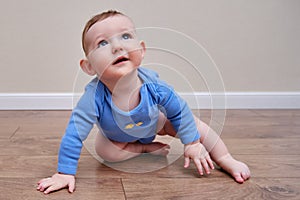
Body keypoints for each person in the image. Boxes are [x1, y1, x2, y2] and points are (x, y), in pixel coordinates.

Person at [37, 10, 250, 194]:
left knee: (195, 126)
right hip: (116, 137)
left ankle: (225, 158)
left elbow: (180, 112)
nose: (117, 47)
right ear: (88, 67)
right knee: (105, 152)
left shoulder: (155, 87)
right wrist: (64, 172)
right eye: (102, 42)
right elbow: (74, 134)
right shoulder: (92, 98)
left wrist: (192, 142)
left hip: (158, 123)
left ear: (142, 49)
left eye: (125, 36)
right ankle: (142, 149)